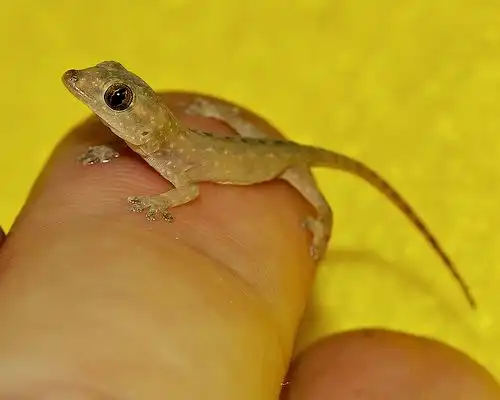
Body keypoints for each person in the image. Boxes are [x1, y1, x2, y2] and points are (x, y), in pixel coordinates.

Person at [0, 93, 497, 399]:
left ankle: (323, 224)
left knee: (309, 197)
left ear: (147, 119)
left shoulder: (179, 158)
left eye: (116, 98)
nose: (89, 92)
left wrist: (157, 202)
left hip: (277, 158)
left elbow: (187, 193)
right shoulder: (160, 144)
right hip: (245, 146)